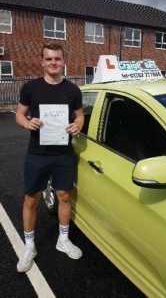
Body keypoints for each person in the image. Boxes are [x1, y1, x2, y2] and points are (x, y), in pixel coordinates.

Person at [16, 42, 84, 273]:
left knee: (64, 195)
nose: (53, 62)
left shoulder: (73, 90)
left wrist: (77, 126)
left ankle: (62, 240)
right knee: (31, 199)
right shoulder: (31, 87)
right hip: (37, 152)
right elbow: (19, 115)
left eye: (57, 58)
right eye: (49, 59)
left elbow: (80, 117)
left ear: (63, 61)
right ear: (42, 62)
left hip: (63, 153)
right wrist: (27, 123)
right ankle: (30, 246)